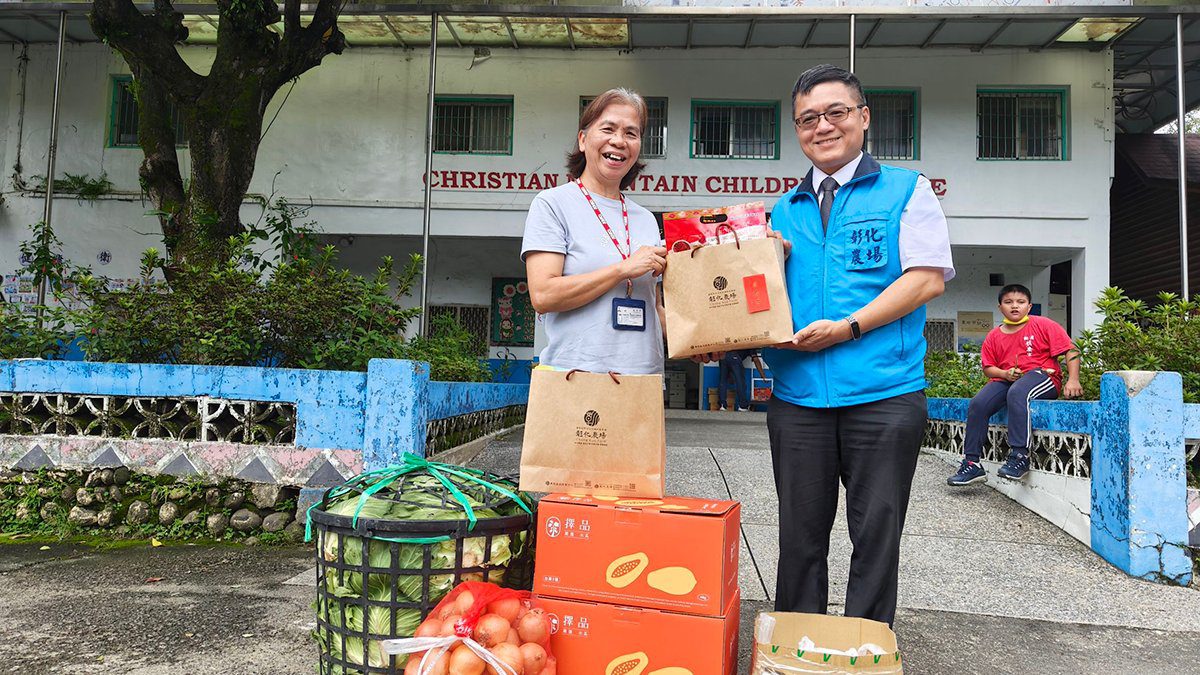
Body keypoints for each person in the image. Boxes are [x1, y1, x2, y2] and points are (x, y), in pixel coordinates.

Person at [763, 64, 955, 627]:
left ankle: (864, 649)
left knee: (876, 536)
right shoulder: (784, 210)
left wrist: (848, 327)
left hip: (883, 394)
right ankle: (798, 650)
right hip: (798, 399)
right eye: (807, 119)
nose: (822, 126)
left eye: (835, 112)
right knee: (798, 537)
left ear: (863, 118)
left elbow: (925, 279)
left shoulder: (906, 189)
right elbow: (764, 298)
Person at [521, 89, 669, 374]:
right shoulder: (553, 204)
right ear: (582, 139)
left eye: (631, 133)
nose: (618, 141)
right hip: (576, 376)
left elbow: (655, 306)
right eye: (608, 129)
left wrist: (698, 340)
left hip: (643, 379)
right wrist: (622, 270)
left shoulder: (646, 219)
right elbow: (543, 295)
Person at [947, 284, 1083, 486]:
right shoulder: (994, 336)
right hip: (1008, 380)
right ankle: (972, 463)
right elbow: (988, 368)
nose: (1015, 306)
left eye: (1020, 302)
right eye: (1008, 302)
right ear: (1000, 307)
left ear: (1029, 306)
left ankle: (1019, 456)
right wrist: (1004, 373)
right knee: (978, 403)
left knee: (1018, 392)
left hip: (1044, 377)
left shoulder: (1043, 324)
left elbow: (1070, 350)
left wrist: (1073, 379)